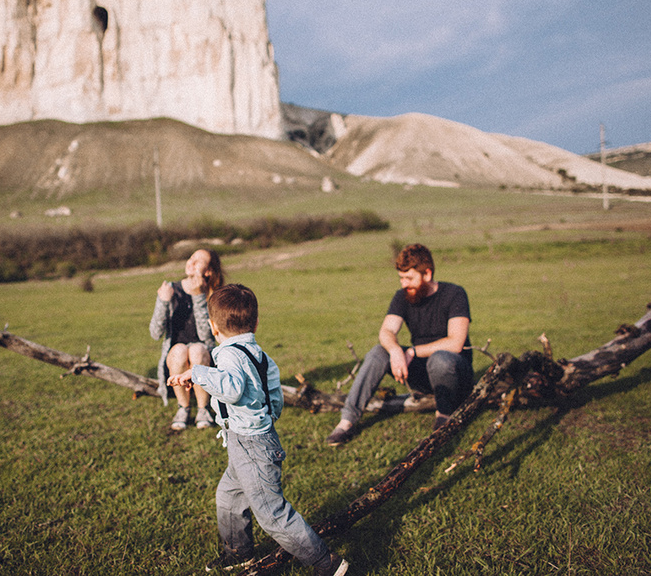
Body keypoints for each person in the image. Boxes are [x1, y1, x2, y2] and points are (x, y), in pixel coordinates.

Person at [168, 284, 349, 576]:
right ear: (256, 322)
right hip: (251, 440)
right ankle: (238, 553)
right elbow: (274, 393)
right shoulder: (259, 353)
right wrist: (266, 416)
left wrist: (198, 373)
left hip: (251, 445)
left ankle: (326, 563)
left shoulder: (226, 355)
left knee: (272, 512)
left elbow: (232, 388)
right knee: (229, 497)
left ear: (213, 327)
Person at [326, 243, 473, 447]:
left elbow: (456, 343)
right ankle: (347, 421)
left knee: (440, 358)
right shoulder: (403, 296)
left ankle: (444, 416)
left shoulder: (454, 294)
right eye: (401, 278)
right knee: (379, 352)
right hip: (423, 372)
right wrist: (395, 351)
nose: (404, 284)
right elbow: (386, 331)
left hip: (455, 372)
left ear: (427, 274)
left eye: (409, 278)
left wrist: (412, 351)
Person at [150, 248, 224, 430]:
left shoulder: (212, 294)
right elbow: (155, 333)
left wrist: (199, 296)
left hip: (203, 357)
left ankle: (203, 409)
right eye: (191, 258)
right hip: (176, 359)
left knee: (197, 350)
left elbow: (207, 336)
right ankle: (183, 407)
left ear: (208, 271)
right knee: (180, 350)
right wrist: (163, 302)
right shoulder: (170, 289)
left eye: (198, 261)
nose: (191, 262)